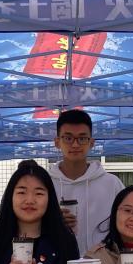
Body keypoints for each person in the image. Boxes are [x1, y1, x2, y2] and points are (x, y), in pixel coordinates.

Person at [48, 109, 124, 255]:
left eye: (82, 138)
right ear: (57, 142)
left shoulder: (112, 184)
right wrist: (53, 222)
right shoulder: (45, 184)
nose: (75, 145)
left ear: (91, 142)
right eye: (68, 138)